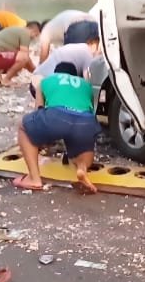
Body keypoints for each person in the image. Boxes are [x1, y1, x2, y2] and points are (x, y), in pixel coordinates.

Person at [15, 61, 101, 194]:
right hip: (86, 122)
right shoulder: (86, 85)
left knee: (24, 126)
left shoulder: (45, 81)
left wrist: (43, 140)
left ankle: (34, 178)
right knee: (80, 152)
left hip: (58, 116)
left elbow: (39, 109)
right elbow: (89, 110)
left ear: (56, 73)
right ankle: (81, 169)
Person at [30, 32, 101, 98]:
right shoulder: (87, 53)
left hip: (35, 82)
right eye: (101, 52)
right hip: (44, 86)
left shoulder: (78, 47)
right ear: (94, 45)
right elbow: (88, 84)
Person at [0, 21, 41, 86]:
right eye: (36, 35)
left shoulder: (16, 30)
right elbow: (25, 56)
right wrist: (36, 71)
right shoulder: (25, 33)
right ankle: (6, 80)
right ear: (34, 30)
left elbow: (6, 48)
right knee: (24, 57)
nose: (35, 37)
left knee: (9, 52)